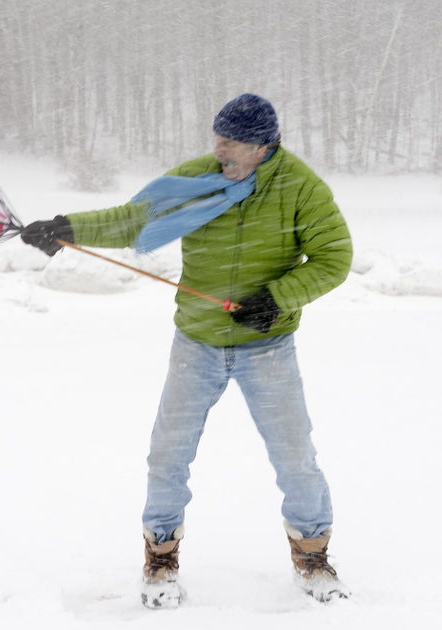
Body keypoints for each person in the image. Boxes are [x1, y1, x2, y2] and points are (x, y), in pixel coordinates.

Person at [21, 94, 353, 608]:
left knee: (295, 457)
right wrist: (65, 229)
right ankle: (161, 555)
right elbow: (131, 220)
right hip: (196, 342)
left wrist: (275, 299)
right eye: (217, 137)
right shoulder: (197, 177)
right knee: (167, 454)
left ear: (263, 145)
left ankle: (311, 555)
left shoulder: (299, 187)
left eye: (231, 141)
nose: (218, 148)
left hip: (267, 346)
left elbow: (334, 257)